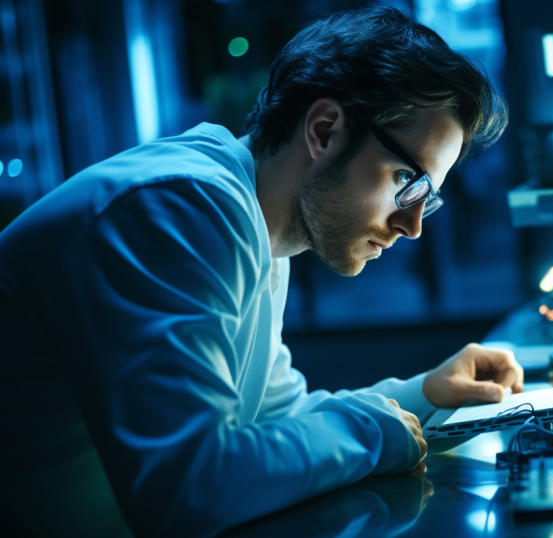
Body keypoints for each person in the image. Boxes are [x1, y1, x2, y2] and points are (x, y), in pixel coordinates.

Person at [0, 6, 521, 536]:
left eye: (427, 198)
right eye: (406, 181)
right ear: (324, 129)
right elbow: (192, 488)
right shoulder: (178, 207)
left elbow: (272, 421)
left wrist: (426, 394)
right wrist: (375, 431)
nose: (412, 226)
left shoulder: (254, 227)